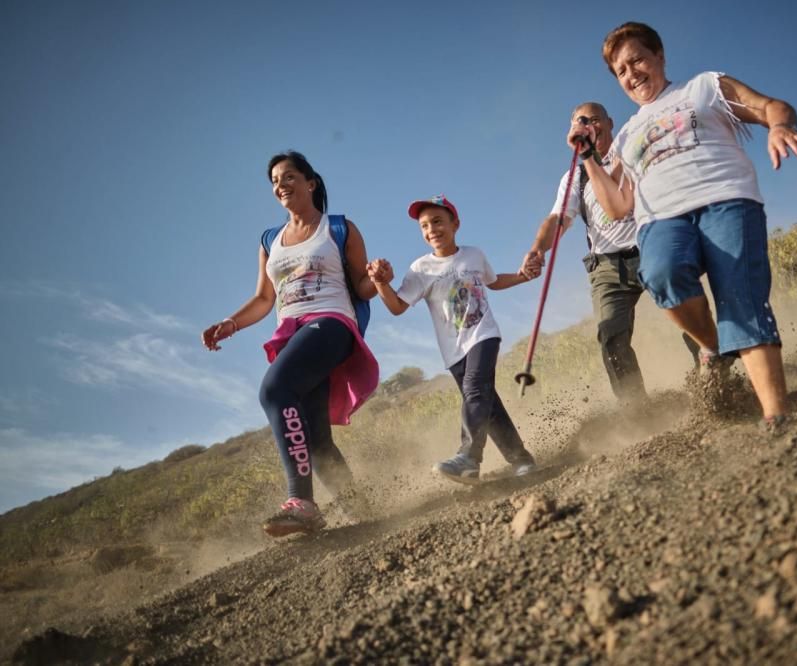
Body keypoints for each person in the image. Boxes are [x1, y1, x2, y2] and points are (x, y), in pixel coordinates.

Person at [575, 21, 797, 432]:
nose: (632, 75)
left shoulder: (702, 88)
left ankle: (776, 416)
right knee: (662, 273)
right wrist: (589, 159)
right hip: (661, 217)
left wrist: (779, 126)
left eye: (638, 61)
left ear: (659, 56)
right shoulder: (629, 132)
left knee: (742, 300)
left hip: (727, 199)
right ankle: (713, 347)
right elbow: (616, 207)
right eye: (622, 72)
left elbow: (768, 105)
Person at [201, 151, 380, 537]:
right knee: (316, 441)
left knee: (275, 389)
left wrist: (378, 278)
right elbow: (265, 299)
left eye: (288, 177)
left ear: (310, 182)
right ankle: (364, 511)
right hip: (293, 333)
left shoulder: (338, 228)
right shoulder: (270, 240)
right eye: (275, 182)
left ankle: (302, 502)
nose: (280, 185)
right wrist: (230, 324)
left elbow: (362, 287)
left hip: (331, 323)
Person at [521, 101, 699, 405]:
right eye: (580, 121)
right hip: (607, 267)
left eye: (594, 119)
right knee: (610, 336)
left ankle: (711, 373)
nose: (589, 125)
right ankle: (636, 410)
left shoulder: (631, 150)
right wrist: (538, 248)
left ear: (609, 122)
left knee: (687, 311)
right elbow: (558, 219)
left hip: (651, 246)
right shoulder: (575, 177)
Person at [367, 195, 537, 484]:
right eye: (424, 225)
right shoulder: (421, 269)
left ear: (454, 224)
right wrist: (381, 284)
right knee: (486, 404)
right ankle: (521, 459)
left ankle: (468, 456)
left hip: (484, 335)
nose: (431, 229)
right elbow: (396, 307)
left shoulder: (473, 255)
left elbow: (493, 282)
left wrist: (522, 276)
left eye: (437, 221)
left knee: (475, 390)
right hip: (454, 351)